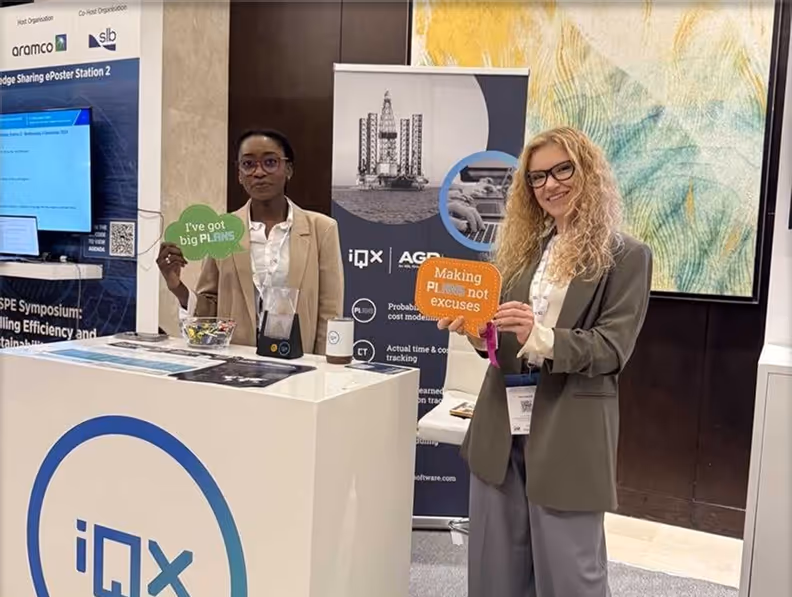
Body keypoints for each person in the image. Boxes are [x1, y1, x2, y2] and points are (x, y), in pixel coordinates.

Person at [438, 126, 653, 597]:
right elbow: (505, 345)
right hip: (501, 424)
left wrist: (542, 336)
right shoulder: (522, 253)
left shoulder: (626, 257)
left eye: (562, 170)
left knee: (570, 577)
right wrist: (482, 336)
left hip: (570, 428)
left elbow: (611, 349)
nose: (549, 185)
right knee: (495, 573)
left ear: (589, 173)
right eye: (537, 178)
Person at [158, 129, 344, 354]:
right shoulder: (223, 229)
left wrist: (322, 368)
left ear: (289, 169)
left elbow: (329, 312)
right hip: (238, 363)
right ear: (239, 174)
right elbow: (211, 308)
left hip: (299, 362)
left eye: (270, 162)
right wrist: (177, 287)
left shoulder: (321, 229)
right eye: (248, 164)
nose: (258, 172)